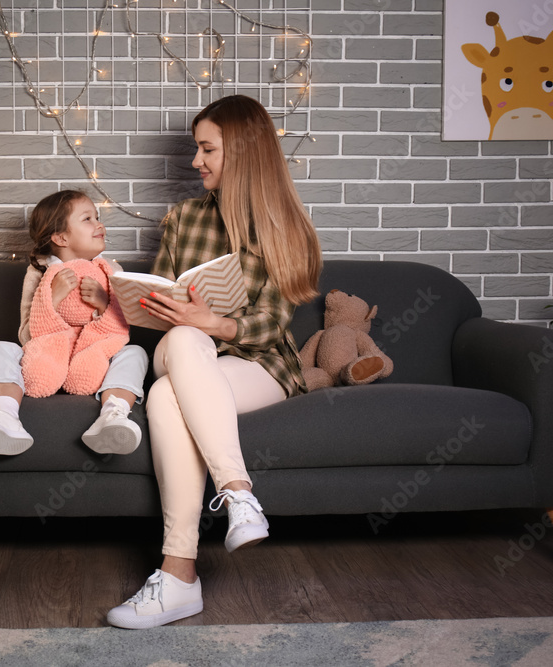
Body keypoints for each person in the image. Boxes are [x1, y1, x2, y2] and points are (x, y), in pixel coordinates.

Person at [106, 95, 322, 629]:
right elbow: (158, 306)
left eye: (207, 149)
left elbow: (273, 323)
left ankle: (179, 575)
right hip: (187, 354)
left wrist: (216, 323)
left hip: (261, 365)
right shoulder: (182, 218)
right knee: (180, 343)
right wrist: (123, 299)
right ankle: (238, 493)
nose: (196, 161)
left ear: (243, 153)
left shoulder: (285, 225)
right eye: (196, 149)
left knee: (163, 393)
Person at [0, 190, 149, 456]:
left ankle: (113, 415)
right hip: (45, 361)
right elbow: (27, 335)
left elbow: (120, 331)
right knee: (0, 348)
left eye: (97, 217)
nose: (99, 224)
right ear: (61, 237)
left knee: (135, 353)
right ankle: (3, 415)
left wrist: (104, 304)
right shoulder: (39, 273)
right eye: (87, 219)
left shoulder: (112, 271)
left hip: (92, 363)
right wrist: (51, 299)